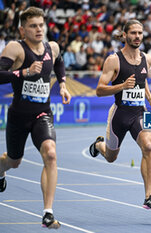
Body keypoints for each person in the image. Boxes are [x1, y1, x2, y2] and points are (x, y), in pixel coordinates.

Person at [0, 7, 71, 229]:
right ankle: (1, 170)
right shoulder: (16, 48)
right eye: (33, 26)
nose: (39, 29)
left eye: (41, 25)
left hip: (42, 113)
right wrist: (24, 73)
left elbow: (59, 61)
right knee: (14, 161)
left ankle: (47, 213)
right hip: (19, 115)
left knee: (50, 154)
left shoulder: (52, 47)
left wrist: (62, 84)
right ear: (23, 30)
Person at [88, 19, 151, 211]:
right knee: (111, 157)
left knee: (148, 147)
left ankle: (149, 196)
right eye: (133, 33)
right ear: (125, 35)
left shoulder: (148, 59)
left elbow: (142, 81)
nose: (137, 36)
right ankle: (98, 145)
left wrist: (150, 99)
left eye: (140, 33)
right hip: (119, 113)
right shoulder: (114, 60)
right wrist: (121, 86)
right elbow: (99, 90)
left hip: (140, 111)